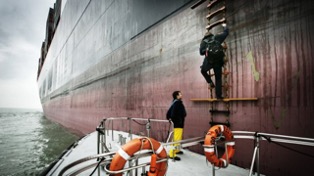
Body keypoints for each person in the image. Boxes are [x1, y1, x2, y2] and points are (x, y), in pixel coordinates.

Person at [199, 23, 229, 99]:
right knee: (218, 78)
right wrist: (224, 26)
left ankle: (210, 82)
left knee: (203, 71)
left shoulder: (203, 42)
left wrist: (206, 50)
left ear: (204, 37)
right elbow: (226, 33)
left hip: (209, 62)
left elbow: (201, 53)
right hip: (219, 62)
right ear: (211, 35)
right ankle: (218, 95)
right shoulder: (216, 37)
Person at [167, 91, 186, 161]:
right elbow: (172, 114)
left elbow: (170, 113)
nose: (181, 95)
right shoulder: (177, 103)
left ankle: (176, 150)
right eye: (180, 94)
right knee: (176, 139)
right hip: (178, 124)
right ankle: (172, 154)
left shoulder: (175, 102)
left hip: (178, 123)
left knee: (177, 138)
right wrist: (178, 121)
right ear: (177, 96)